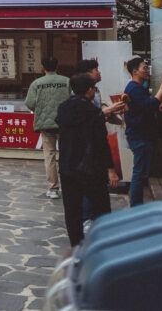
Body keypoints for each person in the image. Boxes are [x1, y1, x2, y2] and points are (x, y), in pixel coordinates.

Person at [56, 73, 119, 247]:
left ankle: (76, 246)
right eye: (94, 88)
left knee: (72, 211)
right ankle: (101, 245)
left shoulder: (63, 108)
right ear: (89, 90)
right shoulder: (93, 112)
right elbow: (101, 143)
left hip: (68, 167)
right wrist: (111, 169)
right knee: (101, 208)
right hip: (91, 168)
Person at [122, 57, 162, 207]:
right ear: (135, 72)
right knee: (139, 174)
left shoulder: (137, 88)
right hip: (140, 136)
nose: (147, 71)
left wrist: (157, 107)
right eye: (144, 68)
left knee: (141, 173)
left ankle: (137, 205)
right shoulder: (134, 88)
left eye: (147, 68)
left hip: (142, 135)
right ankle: (136, 207)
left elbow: (141, 108)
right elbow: (148, 105)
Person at [25, 57, 71, 199]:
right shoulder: (66, 81)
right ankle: (68, 186)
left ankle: (53, 189)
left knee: (49, 155)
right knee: (66, 154)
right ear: (57, 66)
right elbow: (73, 99)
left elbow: (30, 103)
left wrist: (42, 109)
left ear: (43, 67)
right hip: (64, 123)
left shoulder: (36, 83)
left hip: (45, 124)